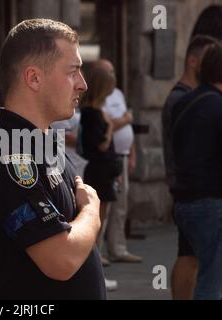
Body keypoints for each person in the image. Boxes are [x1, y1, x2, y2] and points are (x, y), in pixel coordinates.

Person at [0, 19, 105, 299]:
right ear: (34, 78)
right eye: (73, 72)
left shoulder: (43, 145)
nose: (83, 84)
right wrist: (91, 211)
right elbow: (60, 259)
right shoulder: (4, 154)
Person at [171, 40, 222, 300]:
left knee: (192, 263)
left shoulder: (183, 103)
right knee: (213, 282)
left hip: (184, 201)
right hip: (213, 205)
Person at [161, 34, 217, 300]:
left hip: (186, 185)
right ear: (194, 61)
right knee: (189, 255)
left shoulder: (190, 96)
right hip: (188, 186)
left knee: (189, 254)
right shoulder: (180, 99)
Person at [94, 59, 142, 264]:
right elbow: (106, 125)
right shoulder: (97, 98)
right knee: (105, 207)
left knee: (121, 206)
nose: (112, 76)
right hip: (108, 158)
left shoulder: (119, 94)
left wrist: (132, 154)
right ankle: (98, 251)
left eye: (113, 71)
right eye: (107, 72)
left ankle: (118, 248)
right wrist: (126, 120)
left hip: (122, 154)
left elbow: (124, 130)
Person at [80, 67, 121, 291]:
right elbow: (99, 146)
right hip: (98, 172)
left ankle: (95, 271)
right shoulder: (91, 114)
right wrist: (110, 129)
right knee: (96, 223)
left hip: (105, 172)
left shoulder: (97, 111)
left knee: (100, 224)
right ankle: (94, 274)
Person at [51, 108, 87, 177]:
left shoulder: (75, 109)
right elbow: (65, 137)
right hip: (70, 162)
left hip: (78, 163)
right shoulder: (59, 112)